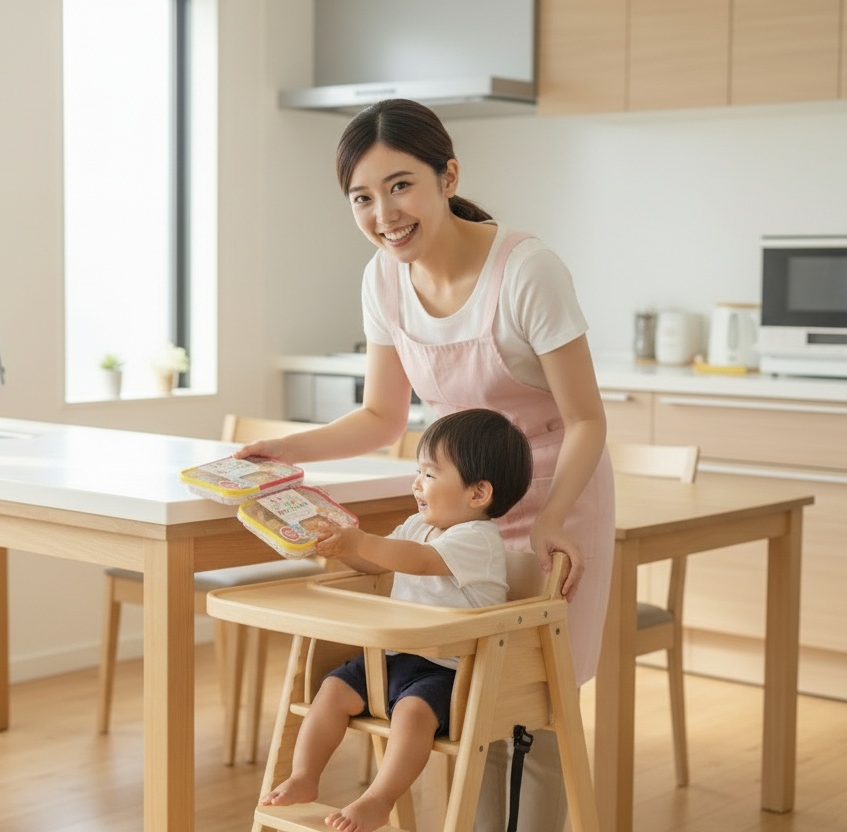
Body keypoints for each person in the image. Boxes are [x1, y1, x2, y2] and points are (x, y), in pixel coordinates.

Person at [237, 98, 615, 830]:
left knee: (528, 707)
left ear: (448, 177)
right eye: (362, 197)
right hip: (452, 505)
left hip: (551, 497)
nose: (384, 213)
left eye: (400, 185)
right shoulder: (383, 279)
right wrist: (287, 449)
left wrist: (555, 523)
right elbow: (382, 416)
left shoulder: (527, 270)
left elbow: (586, 419)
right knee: (458, 697)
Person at [259, 408, 533, 832]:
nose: (416, 484)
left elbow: (422, 564)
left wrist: (363, 540)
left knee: (413, 715)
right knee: (330, 691)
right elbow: (376, 565)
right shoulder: (416, 527)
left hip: (448, 669)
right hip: (393, 656)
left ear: (478, 494)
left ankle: (378, 799)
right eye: (418, 472)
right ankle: (304, 775)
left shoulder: (478, 540)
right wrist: (339, 547)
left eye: (430, 474)